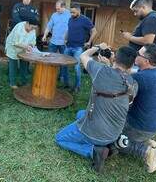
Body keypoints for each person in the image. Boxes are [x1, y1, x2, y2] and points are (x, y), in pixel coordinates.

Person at [55, 43, 138, 173]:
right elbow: (119, 77)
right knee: (80, 114)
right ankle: (108, 144)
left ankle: (93, 151)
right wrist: (110, 65)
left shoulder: (100, 70)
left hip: (95, 132)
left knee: (59, 138)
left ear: (115, 57)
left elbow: (83, 55)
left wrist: (98, 47)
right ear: (132, 65)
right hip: (115, 132)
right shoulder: (133, 84)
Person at [119, 44, 156, 173]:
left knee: (112, 139)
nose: (135, 55)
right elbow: (134, 72)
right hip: (155, 124)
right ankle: (144, 140)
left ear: (146, 61)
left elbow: (118, 80)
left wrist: (114, 66)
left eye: (138, 54)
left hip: (141, 126)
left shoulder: (141, 78)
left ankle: (147, 152)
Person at [61, 2, 97, 93]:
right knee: (64, 65)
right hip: (68, 46)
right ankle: (66, 84)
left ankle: (77, 86)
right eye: (71, 12)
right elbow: (69, 30)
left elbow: (94, 31)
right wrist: (65, 38)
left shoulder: (85, 20)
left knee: (76, 67)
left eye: (73, 12)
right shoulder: (70, 19)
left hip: (78, 48)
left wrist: (89, 42)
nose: (72, 14)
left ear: (79, 11)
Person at [42, 0, 70, 81]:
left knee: (63, 61)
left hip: (63, 43)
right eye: (56, 9)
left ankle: (62, 77)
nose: (57, 10)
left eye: (58, 9)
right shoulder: (54, 15)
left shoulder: (69, 14)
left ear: (63, 7)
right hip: (53, 42)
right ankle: (50, 75)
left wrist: (68, 39)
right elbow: (49, 26)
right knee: (50, 59)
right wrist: (45, 35)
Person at [5, 20, 38, 89]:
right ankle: (12, 83)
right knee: (13, 66)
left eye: (34, 28)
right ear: (27, 23)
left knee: (24, 64)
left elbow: (33, 41)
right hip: (13, 48)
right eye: (32, 27)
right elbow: (15, 43)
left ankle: (24, 81)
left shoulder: (33, 30)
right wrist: (26, 47)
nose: (33, 29)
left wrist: (31, 45)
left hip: (24, 49)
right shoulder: (19, 27)